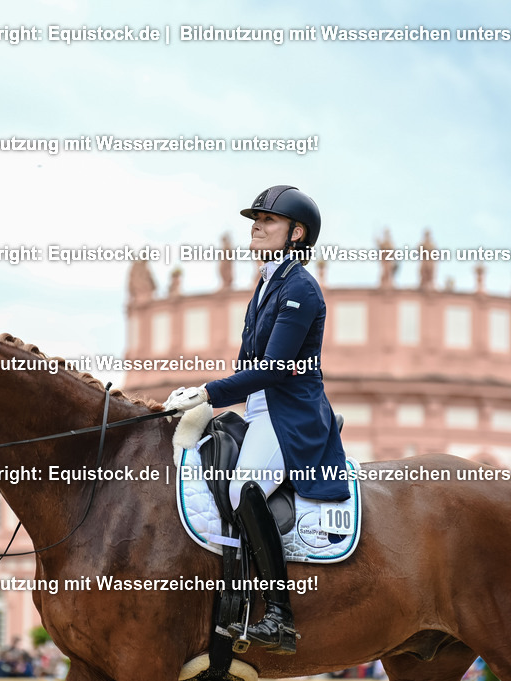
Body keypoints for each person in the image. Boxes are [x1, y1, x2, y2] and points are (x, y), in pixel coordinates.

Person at [164, 185, 349, 655]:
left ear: (296, 233)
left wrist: (208, 392)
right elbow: (249, 366)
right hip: (260, 410)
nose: (257, 227)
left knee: (242, 488)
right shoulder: (267, 285)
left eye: (268, 220)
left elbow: (272, 368)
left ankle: (279, 615)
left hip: (291, 414)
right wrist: (210, 403)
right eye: (256, 219)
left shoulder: (300, 288)